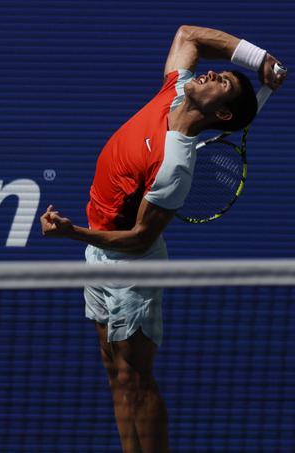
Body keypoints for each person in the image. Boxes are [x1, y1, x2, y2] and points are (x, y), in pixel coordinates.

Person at [40, 26, 286, 453]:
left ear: (222, 115)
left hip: (130, 267)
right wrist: (256, 58)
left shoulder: (174, 166)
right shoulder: (176, 91)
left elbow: (138, 239)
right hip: (98, 252)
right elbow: (189, 35)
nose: (209, 74)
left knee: (136, 378)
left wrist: (70, 232)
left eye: (221, 81)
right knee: (113, 370)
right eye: (216, 72)